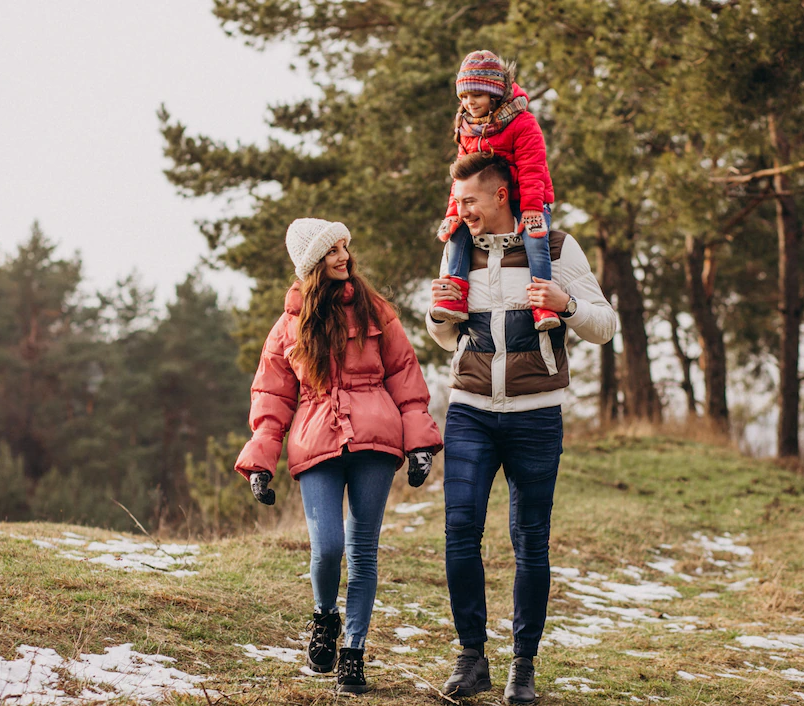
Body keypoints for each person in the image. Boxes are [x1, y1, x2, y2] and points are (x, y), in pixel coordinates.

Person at [426, 153, 617, 704]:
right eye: (458, 202)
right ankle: (470, 657)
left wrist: (568, 303)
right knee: (460, 530)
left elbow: (603, 325)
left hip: (536, 414)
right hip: (470, 410)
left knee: (530, 540)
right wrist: (440, 315)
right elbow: (445, 338)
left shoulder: (556, 249)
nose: (460, 212)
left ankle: (523, 666)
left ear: (502, 196)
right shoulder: (456, 247)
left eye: (469, 202)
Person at [235, 217, 443, 695]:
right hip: (316, 440)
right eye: (332, 251)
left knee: (363, 550)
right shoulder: (289, 326)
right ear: (312, 263)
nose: (343, 256)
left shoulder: (376, 311)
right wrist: (261, 461)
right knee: (328, 547)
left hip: (376, 439)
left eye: (345, 247)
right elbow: (272, 398)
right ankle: (325, 616)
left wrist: (420, 444)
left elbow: (405, 378)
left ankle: (353, 651)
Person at [432, 49, 559, 333]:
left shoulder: (522, 122)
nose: (469, 103)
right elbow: (461, 177)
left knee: (535, 240)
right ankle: (456, 295)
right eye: (463, 97)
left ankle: (542, 301)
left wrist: (531, 209)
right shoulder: (466, 128)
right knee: (457, 234)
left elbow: (532, 169)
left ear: (494, 93)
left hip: (528, 198)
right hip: (486, 202)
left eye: (476, 95)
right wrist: (454, 213)